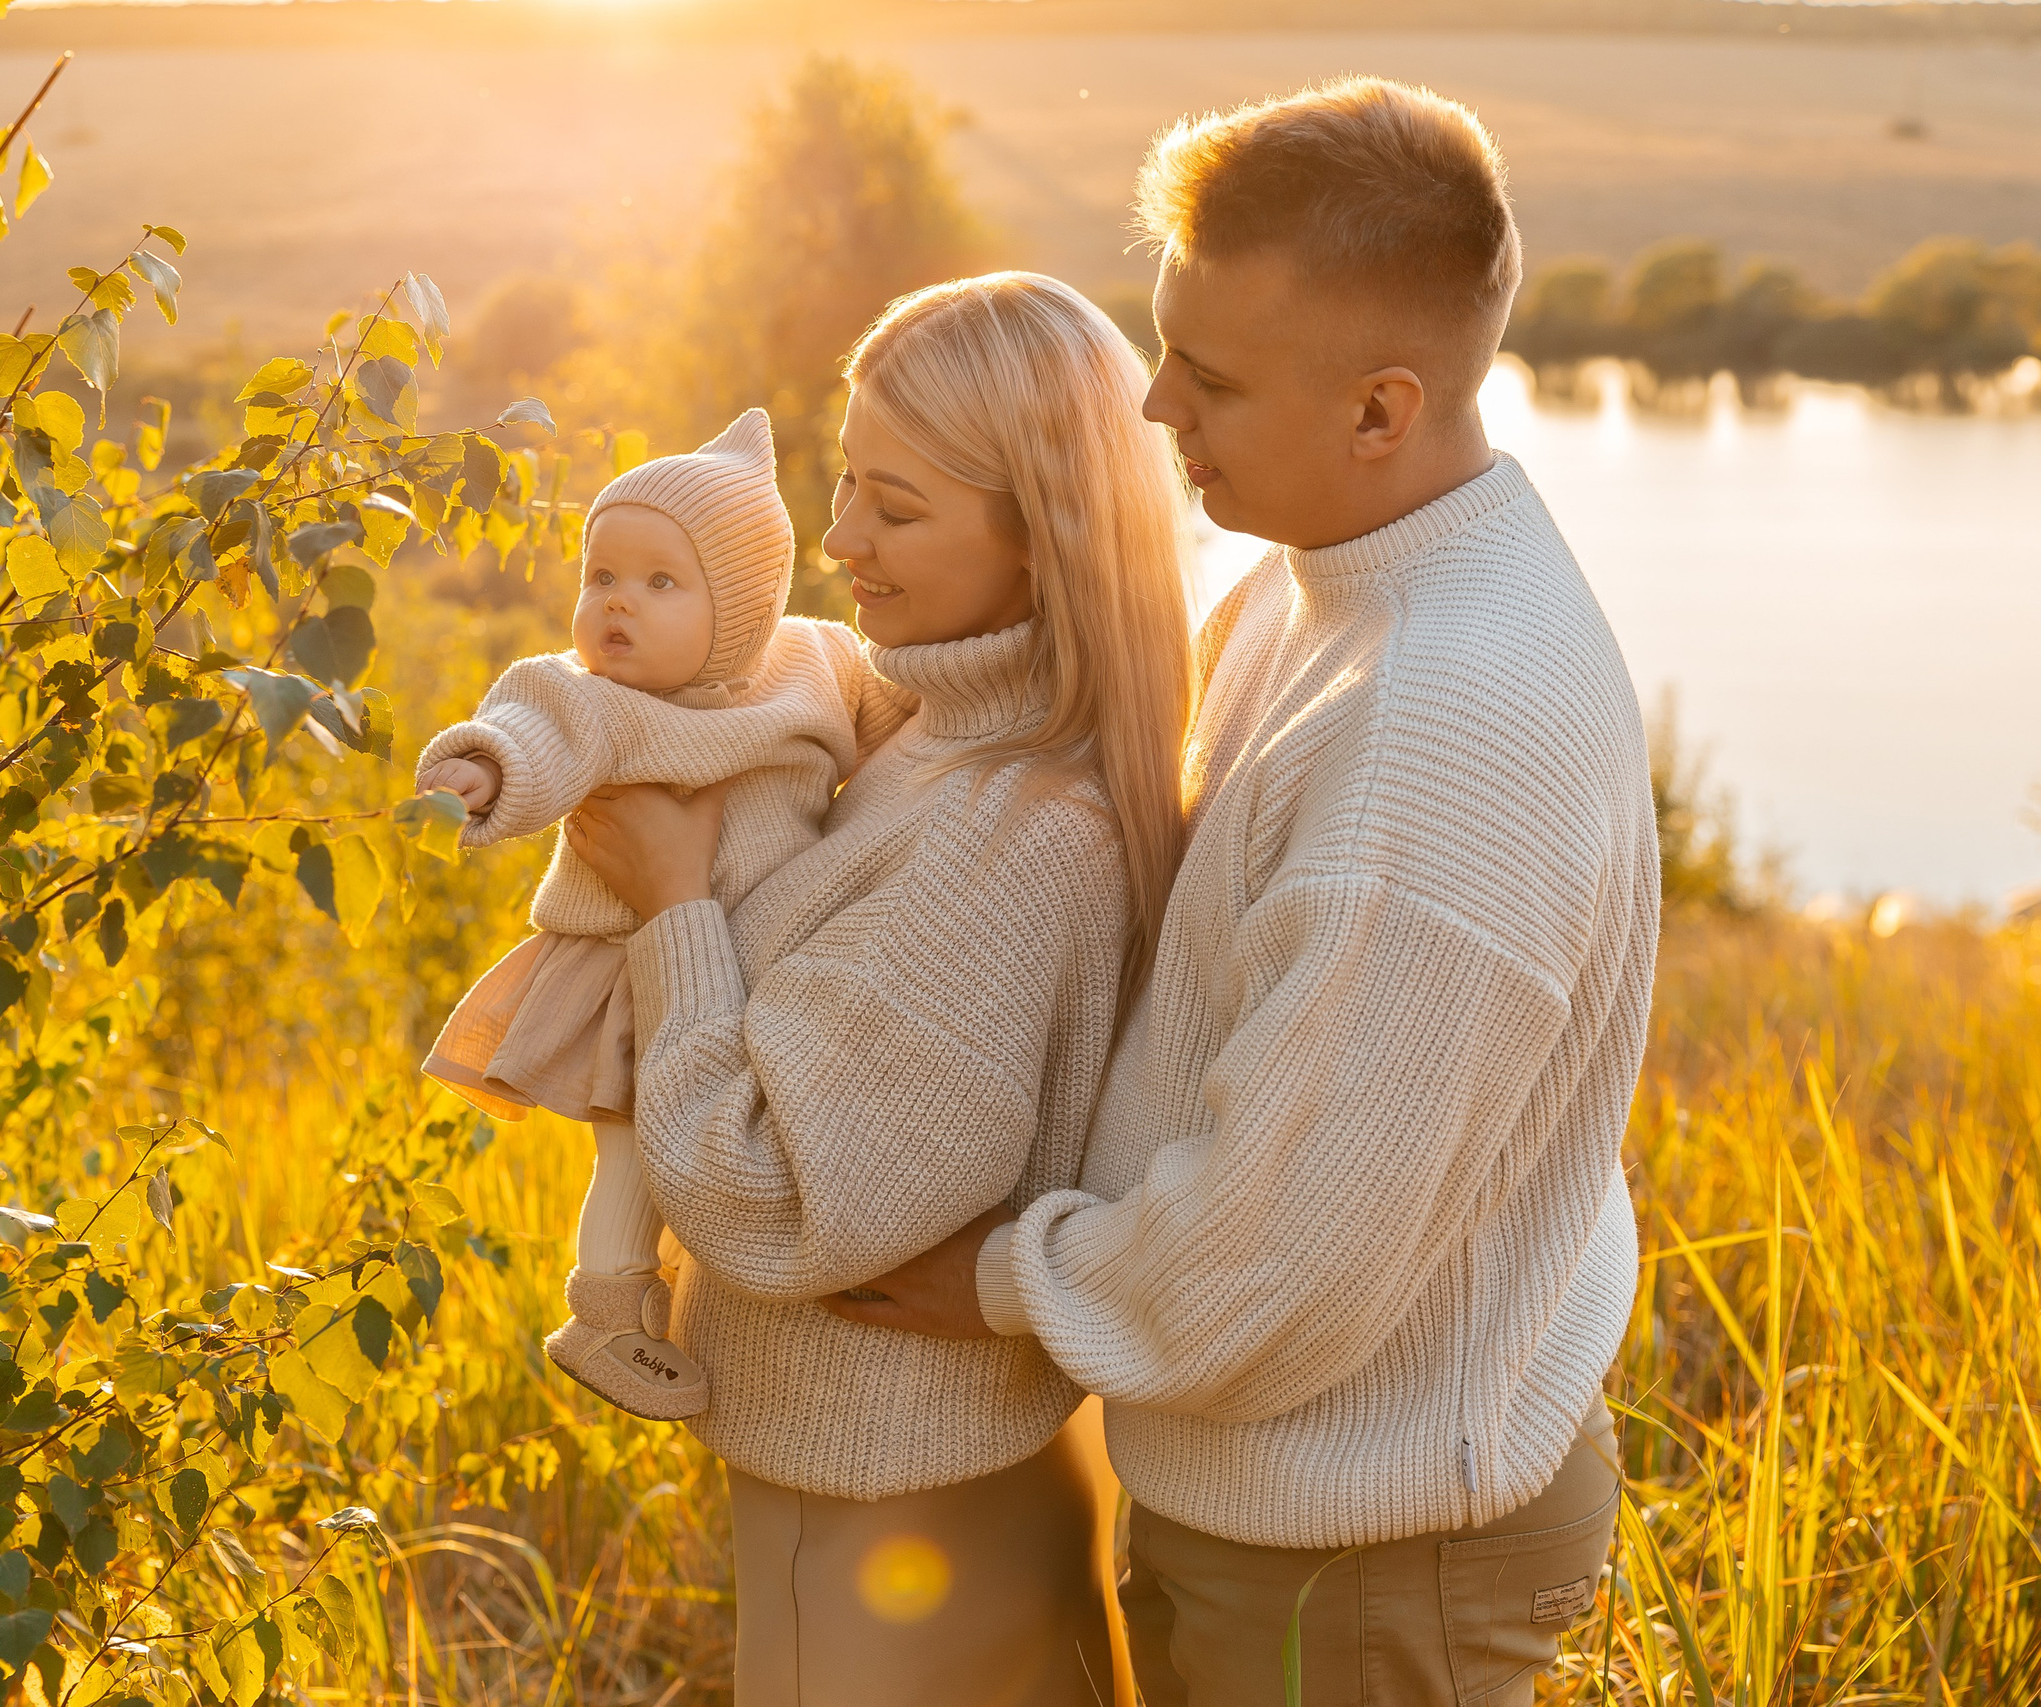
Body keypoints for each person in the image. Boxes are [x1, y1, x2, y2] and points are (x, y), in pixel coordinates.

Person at [825, 81, 1662, 1704]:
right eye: (1162, 349)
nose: (1150, 409)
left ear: (1379, 408)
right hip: (1319, 1501)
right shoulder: (1333, 575)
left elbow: (1283, 1258)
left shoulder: (1437, 732)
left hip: (1361, 1555)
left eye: (1206, 380)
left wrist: (1007, 1279)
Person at [563, 272, 1193, 1707]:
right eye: (844, 480)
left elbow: (776, 1197)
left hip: (891, 1517)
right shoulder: (933, 732)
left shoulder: (1015, 832)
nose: (836, 538)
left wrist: (672, 903)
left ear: (1043, 537)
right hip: (932, 1475)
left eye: (894, 508)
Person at [414, 409, 912, 1421]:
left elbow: (904, 718)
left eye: (658, 582)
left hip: (773, 970)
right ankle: (605, 1310)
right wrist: (483, 770)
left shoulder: (813, 661)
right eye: (599, 577)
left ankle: (700, 1284)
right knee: (638, 1147)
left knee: (739, 1140)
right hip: (642, 966)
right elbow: (534, 729)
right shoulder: (591, 698)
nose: (615, 608)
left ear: (738, 606)